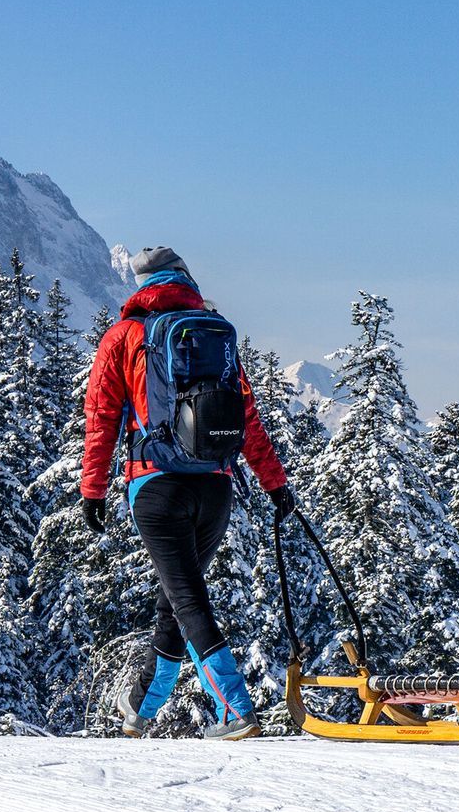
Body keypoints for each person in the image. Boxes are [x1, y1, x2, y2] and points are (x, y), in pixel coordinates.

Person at [81, 246, 297, 740]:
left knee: (186, 599)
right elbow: (248, 419)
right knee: (175, 598)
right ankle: (140, 708)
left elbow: (101, 420)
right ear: (185, 279)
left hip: (156, 489)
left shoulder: (125, 336)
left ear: (141, 285)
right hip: (216, 488)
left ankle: (236, 709)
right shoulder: (214, 335)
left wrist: (92, 492)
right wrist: (274, 482)